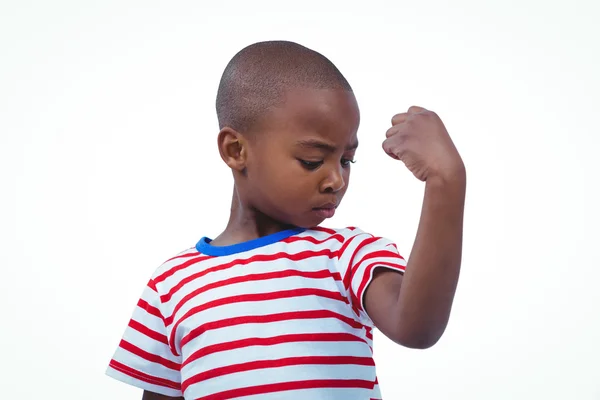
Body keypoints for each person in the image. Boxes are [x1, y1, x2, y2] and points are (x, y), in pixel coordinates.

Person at [106, 40, 466, 400]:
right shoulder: (171, 284)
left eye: (346, 160)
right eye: (312, 160)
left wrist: (445, 180)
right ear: (236, 150)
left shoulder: (349, 257)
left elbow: (418, 327)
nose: (336, 180)